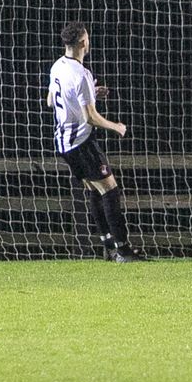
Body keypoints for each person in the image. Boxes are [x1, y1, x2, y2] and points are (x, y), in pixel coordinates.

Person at [48, 20, 147, 262]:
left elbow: (51, 101)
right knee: (110, 191)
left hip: (63, 144)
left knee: (94, 189)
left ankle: (108, 246)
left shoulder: (58, 66)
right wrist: (117, 127)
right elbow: (89, 117)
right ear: (83, 42)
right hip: (82, 143)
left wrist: (91, 92)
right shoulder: (81, 74)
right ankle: (123, 250)